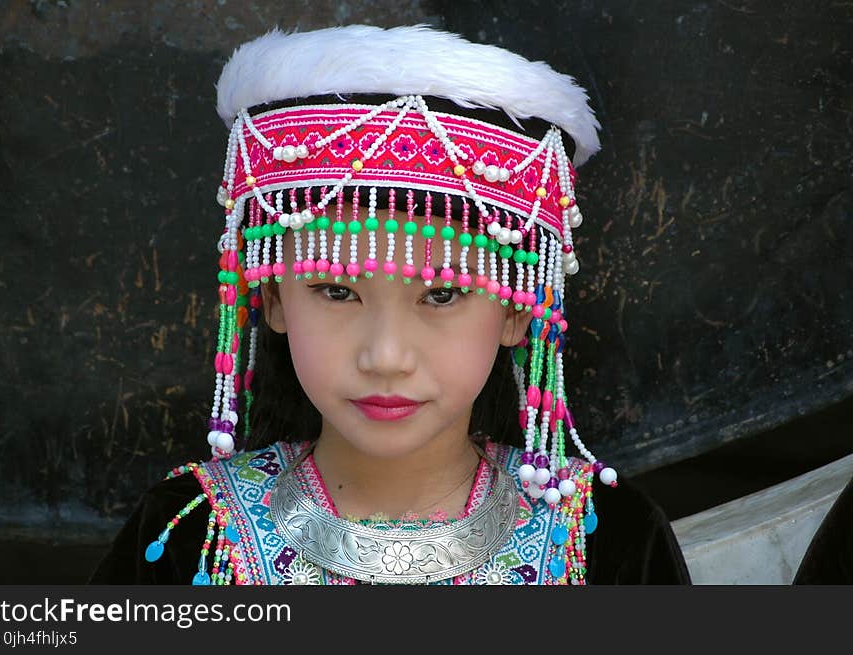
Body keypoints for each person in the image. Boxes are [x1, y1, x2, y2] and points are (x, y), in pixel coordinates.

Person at [90, 24, 690, 585]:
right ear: (272, 298)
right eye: (336, 291)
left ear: (515, 310)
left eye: (442, 294)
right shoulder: (187, 534)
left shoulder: (611, 541)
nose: (386, 356)